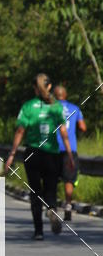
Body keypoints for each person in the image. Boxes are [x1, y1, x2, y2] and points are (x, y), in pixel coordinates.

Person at [5, 73, 73, 240]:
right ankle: (51, 208)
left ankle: (38, 231)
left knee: (35, 191)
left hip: (33, 153)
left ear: (35, 88)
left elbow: (20, 130)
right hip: (52, 154)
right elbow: (63, 132)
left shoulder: (28, 106)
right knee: (51, 189)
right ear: (49, 87)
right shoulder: (56, 107)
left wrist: (12, 154)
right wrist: (70, 155)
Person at [54, 84, 87, 221]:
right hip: (70, 149)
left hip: (52, 149)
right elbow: (83, 127)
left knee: (52, 178)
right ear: (65, 95)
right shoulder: (75, 108)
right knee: (69, 179)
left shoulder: (51, 108)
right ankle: (68, 205)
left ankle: (52, 205)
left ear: (55, 96)